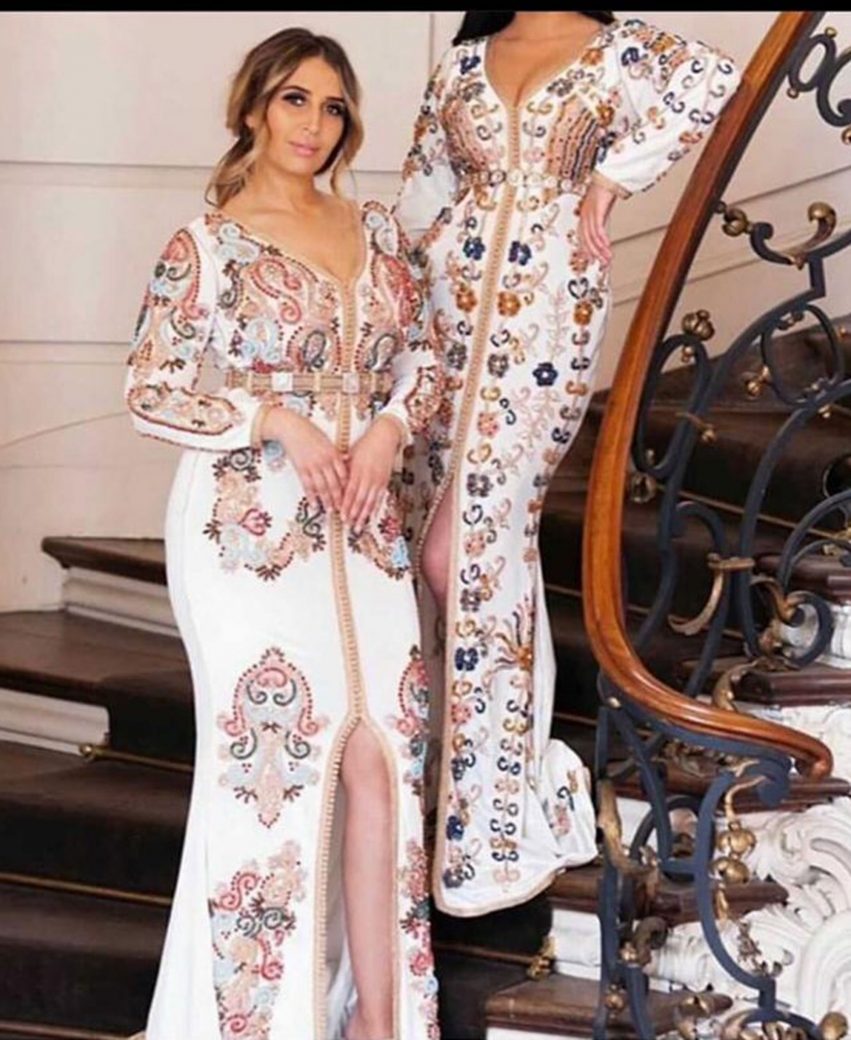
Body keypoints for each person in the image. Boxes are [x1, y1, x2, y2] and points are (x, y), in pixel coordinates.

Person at [124, 26, 443, 1040]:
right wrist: (272, 419)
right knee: (276, 770)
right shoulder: (207, 245)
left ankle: (381, 1024)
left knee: (383, 761)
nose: (314, 123)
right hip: (246, 534)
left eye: (332, 106)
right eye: (294, 99)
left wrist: (390, 428)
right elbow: (150, 387)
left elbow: (425, 358)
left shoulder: (378, 230)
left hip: (366, 524)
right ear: (255, 107)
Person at [394, 10, 742, 917]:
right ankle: (436, 794)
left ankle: (496, 817)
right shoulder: (463, 62)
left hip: (546, 313)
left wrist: (610, 180)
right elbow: (419, 194)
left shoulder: (618, 48)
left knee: (471, 549)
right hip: (437, 316)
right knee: (424, 550)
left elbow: (713, 80)